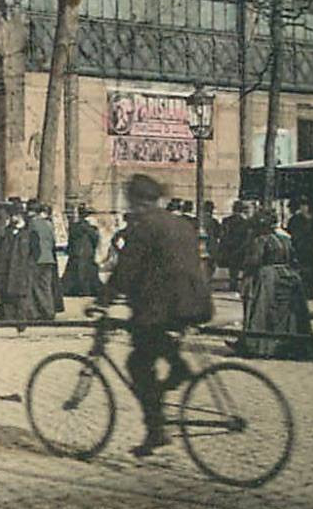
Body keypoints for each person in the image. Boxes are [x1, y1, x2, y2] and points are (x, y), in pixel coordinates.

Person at [96, 173, 213, 457]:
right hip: (194, 303)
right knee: (156, 348)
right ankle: (176, 368)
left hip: (162, 308)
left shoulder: (143, 227)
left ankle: (156, 430)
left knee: (138, 364)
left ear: (135, 200)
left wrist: (104, 301)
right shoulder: (181, 223)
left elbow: (126, 270)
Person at [236, 209, 313, 360]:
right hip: (287, 274)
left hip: (267, 276)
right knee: (286, 315)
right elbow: (294, 259)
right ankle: (285, 344)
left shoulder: (261, 240)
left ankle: (257, 345)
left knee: (261, 311)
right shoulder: (285, 239)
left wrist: (245, 274)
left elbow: (253, 261)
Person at [0, 206, 38, 324]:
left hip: (22, 270)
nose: (12, 218)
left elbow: (36, 252)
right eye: (12, 215)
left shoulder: (30, 233)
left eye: (15, 215)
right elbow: (0, 250)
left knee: (21, 297)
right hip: (6, 270)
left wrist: (29, 266)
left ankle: (21, 321)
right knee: (7, 296)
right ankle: (8, 321)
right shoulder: (7, 232)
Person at [27, 200, 62, 317]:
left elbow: (30, 242)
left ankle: (37, 313)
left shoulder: (31, 224)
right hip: (49, 258)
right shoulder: (48, 224)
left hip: (37, 259)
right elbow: (52, 241)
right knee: (46, 286)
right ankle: (49, 310)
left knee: (34, 286)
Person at [61, 207, 103, 296]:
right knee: (87, 273)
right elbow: (95, 240)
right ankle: (86, 290)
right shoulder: (91, 228)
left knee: (73, 273)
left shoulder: (74, 227)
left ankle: (74, 289)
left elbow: (71, 240)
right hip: (88, 253)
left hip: (76, 253)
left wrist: (70, 250)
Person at [215, 201, 253, 293]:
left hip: (229, 247)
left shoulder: (226, 220)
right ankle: (240, 286)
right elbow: (248, 236)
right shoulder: (247, 222)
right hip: (241, 247)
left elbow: (223, 235)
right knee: (241, 267)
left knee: (233, 268)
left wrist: (224, 246)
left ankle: (233, 284)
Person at [285, 200, 313, 296]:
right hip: (300, 248)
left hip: (308, 248)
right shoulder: (296, 219)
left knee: (307, 269)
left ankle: (306, 290)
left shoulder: (311, 220)